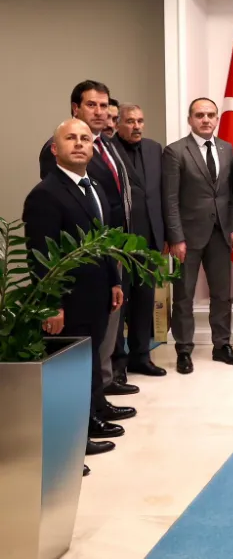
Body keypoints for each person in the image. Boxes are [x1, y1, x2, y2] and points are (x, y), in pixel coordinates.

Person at [25, 119, 128, 475]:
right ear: (55, 149)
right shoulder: (45, 194)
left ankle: (85, 430)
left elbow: (105, 240)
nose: (80, 143)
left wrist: (114, 281)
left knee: (89, 367)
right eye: (71, 138)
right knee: (67, 378)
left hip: (97, 295)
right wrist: (50, 304)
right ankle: (65, 452)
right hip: (66, 303)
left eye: (85, 138)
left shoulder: (93, 187)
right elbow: (40, 256)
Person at [40, 80, 139, 396]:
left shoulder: (106, 144)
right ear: (76, 108)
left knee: (107, 326)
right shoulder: (60, 149)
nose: (99, 111)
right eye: (91, 105)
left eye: (103, 105)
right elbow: (58, 208)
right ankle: (94, 396)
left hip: (111, 250)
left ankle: (104, 387)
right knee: (89, 335)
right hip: (81, 261)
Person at [162, 97, 233, 374]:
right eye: (200, 115)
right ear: (190, 120)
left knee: (222, 294)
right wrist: (176, 237)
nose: (206, 120)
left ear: (217, 119)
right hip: (187, 236)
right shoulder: (175, 151)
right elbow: (170, 199)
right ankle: (184, 349)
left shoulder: (226, 148)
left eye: (210, 115)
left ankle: (222, 345)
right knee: (184, 295)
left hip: (221, 233)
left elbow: (231, 194)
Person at [110, 103, 168, 378]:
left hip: (150, 238)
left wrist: (165, 234)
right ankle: (117, 364)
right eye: (130, 121)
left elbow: (162, 194)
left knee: (145, 300)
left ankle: (141, 356)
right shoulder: (108, 149)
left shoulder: (155, 149)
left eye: (140, 121)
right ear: (118, 124)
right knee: (120, 304)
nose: (137, 126)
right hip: (121, 240)